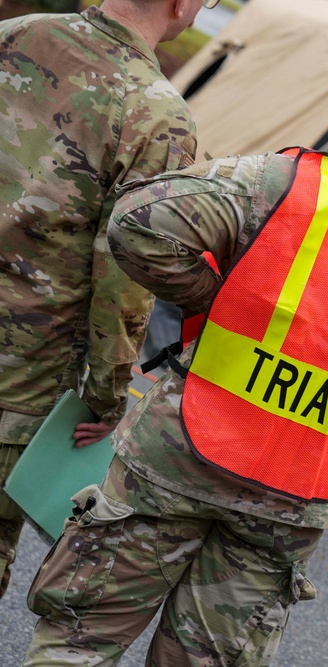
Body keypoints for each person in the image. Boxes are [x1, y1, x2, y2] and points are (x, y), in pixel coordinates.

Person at [22, 68, 328, 665]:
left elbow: (137, 224)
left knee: (83, 638)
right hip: (295, 497)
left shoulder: (280, 182)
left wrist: (216, 297)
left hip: (180, 458)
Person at [0, 0, 202, 600]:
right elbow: (124, 276)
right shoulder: (158, 115)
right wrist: (105, 395)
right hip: (21, 373)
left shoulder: (12, 34)